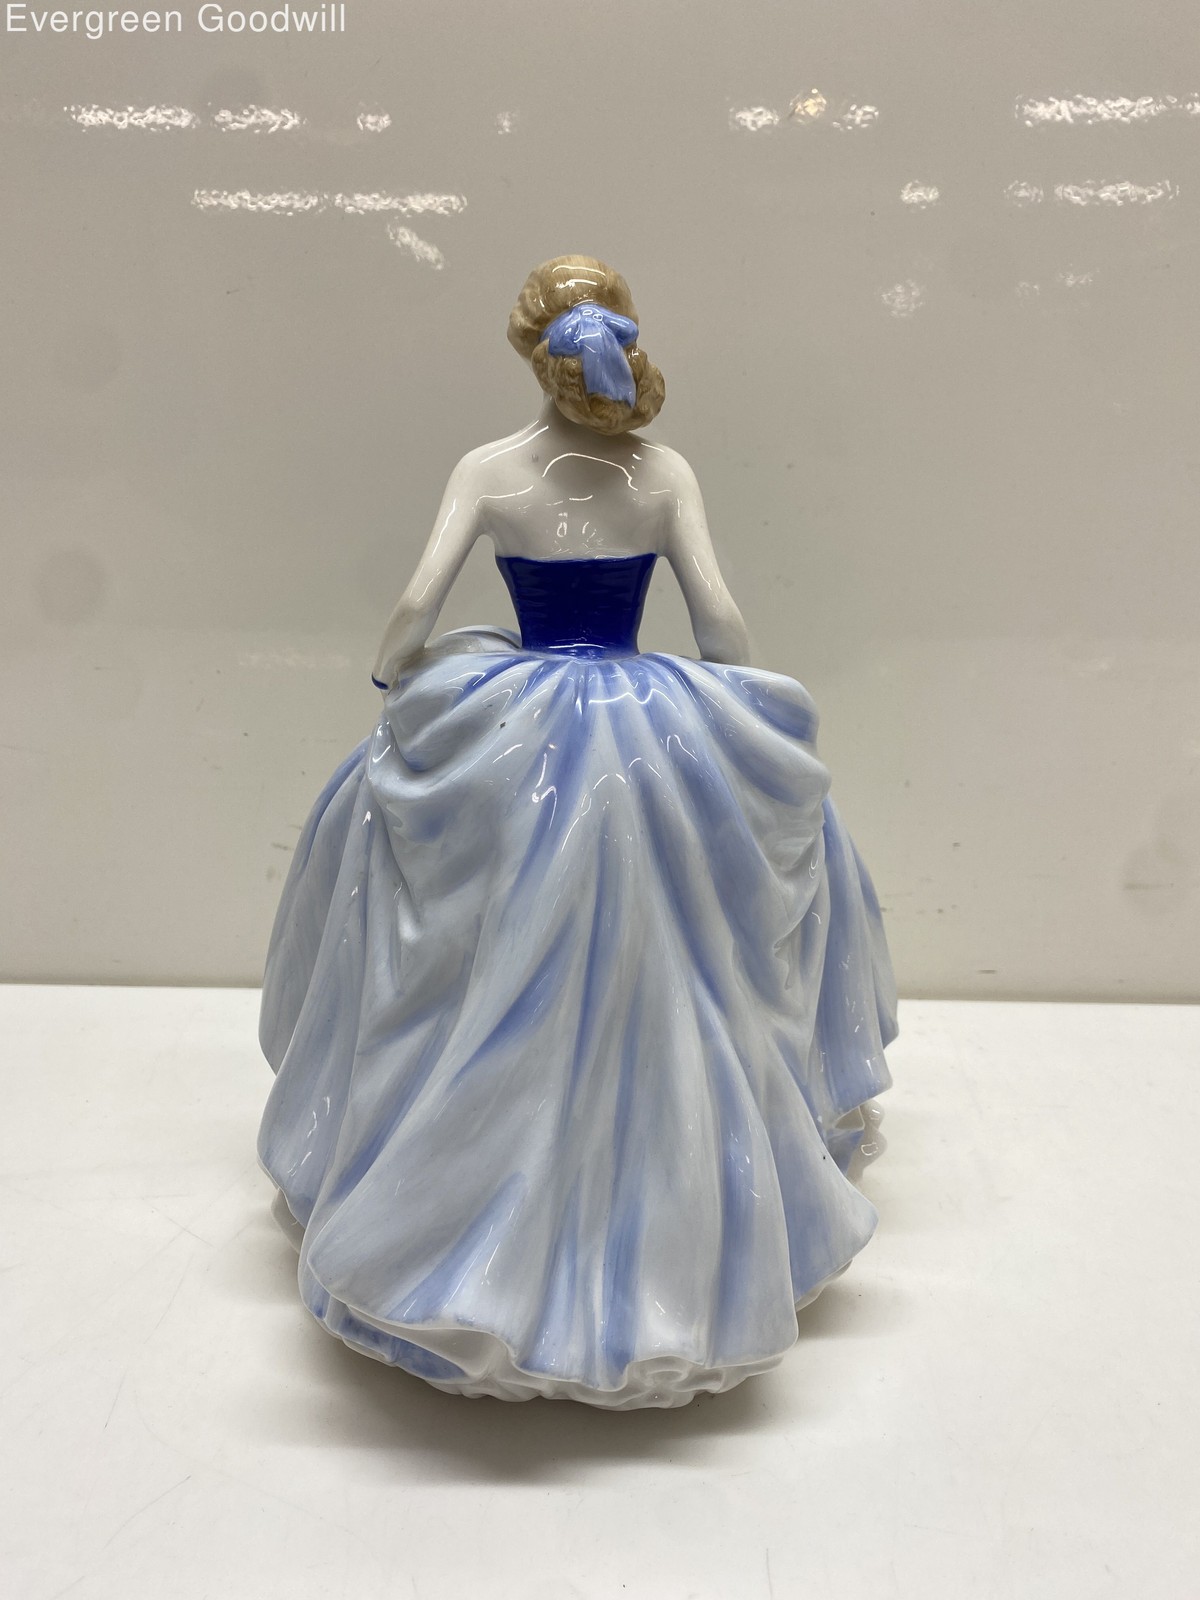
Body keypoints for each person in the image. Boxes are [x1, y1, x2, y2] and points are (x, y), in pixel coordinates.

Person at [258, 255, 897, 1409]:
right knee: (676, 955)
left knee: (475, 934)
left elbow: (415, 606)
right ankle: (675, 1221)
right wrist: (732, 703)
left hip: (519, 721)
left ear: (526, 348)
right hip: (647, 719)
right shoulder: (664, 471)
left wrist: (397, 675)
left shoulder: (489, 467)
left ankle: (461, 1220)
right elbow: (718, 616)